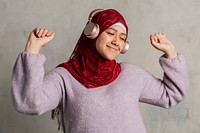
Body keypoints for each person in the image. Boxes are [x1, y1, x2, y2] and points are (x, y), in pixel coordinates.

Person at [11, 8, 189, 133]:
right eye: (110, 33)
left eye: (122, 38)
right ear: (93, 32)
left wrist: (170, 53)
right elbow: (29, 103)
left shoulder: (131, 74)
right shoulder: (64, 77)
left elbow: (171, 94)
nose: (116, 41)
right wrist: (32, 50)